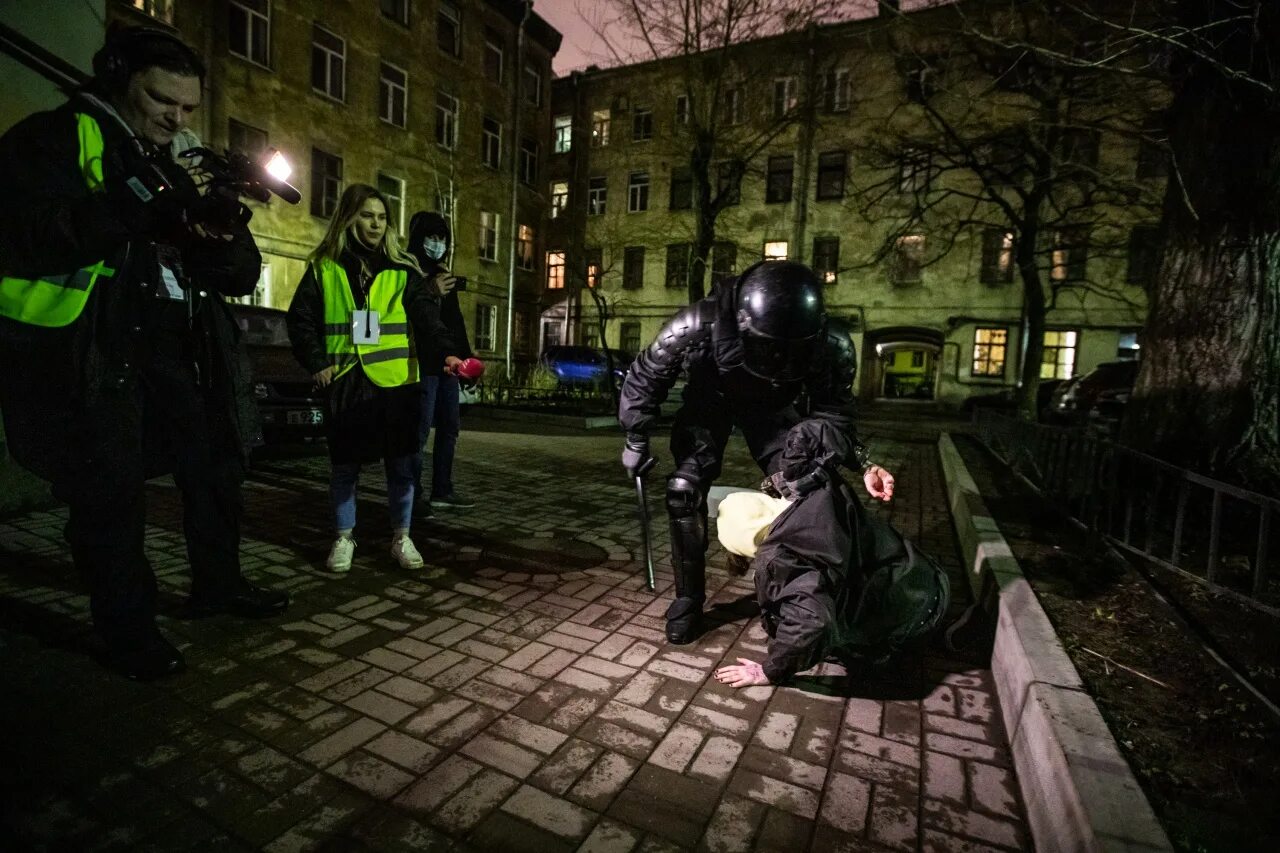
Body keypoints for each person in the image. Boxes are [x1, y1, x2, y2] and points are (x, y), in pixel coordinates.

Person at [0, 26, 288, 680]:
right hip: (99, 344)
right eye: (162, 100)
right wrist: (149, 197)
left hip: (182, 343)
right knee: (111, 494)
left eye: (187, 108)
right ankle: (128, 632)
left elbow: (240, 272)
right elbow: (37, 235)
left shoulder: (179, 157)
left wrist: (216, 225)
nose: (176, 118)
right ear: (118, 76)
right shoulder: (56, 138)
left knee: (216, 465)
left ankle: (219, 584)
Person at [618, 260, 896, 644]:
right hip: (709, 400)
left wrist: (860, 461)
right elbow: (649, 372)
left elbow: (833, 415)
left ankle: (800, 595)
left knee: (809, 490)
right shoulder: (699, 324)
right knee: (684, 489)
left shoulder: (830, 343)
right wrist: (635, 435)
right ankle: (688, 600)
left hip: (772, 407)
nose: (778, 358)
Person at [286, 185, 458, 573]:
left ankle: (401, 536)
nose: (376, 224)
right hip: (346, 380)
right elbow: (300, 320)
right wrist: (316, 362)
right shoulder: (324, 266)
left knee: (401, 466)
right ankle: (344, 538)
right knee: (345, 466)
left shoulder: (403, 271)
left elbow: (427, 319)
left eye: (382, 217)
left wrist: (446, 352)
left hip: (397, 384)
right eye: (367, 215)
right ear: (349, 218)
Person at [713, 420, 950, 688]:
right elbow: (812, 432)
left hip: (910, 625)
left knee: (809, 631)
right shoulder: (814, 487)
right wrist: (865, 465)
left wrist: (770, 671)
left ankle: (892, 648)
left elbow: (813, 622)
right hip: (929, 578)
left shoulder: (785, 561)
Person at [405, 211, 474, 515]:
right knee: (418, 435)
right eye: (431, 238)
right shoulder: (409, 271)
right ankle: (413, 495)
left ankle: (442, 491)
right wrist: (430, 291)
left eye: (441, 238)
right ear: (419, 239)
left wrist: (467, 359)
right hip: (421, 365)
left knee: (449, 428)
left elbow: (454, 322)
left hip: (449, 365)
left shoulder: (444, 272)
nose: (437, 244)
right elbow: (414, 319)